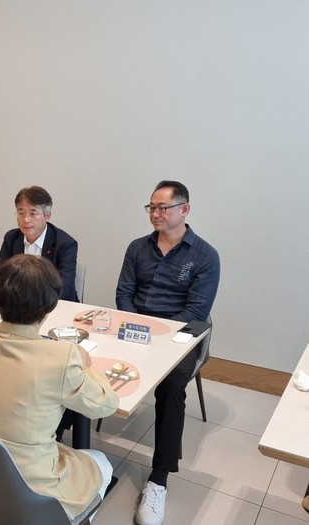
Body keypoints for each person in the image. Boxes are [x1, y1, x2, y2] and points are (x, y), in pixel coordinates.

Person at [0, 254, 119, 520]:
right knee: (101, 462)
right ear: (49, 307)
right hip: (27, 486)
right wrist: (85, 363)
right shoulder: (61, 358)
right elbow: (106, 405)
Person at [116, 180, 220, 525]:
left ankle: (159, 478)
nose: (156, 214)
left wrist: (157, 335)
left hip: (180, 338)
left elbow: (196, 311)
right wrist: (138, 328)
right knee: (87, 358)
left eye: (163, 208)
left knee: (173, 385)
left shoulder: (205, 256)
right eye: (152, 207)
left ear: (184, 209)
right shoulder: (137, 248)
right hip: (136, 329)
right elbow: (124, 294)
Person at [0, 186, 79, 301]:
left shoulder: (65, 243)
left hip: (54, 304)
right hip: (16, 303)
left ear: (47, 216)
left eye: (33, 213)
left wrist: (26, 297)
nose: (26, 219)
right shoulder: (12, 238)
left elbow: (64, 287)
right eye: (21, 213)